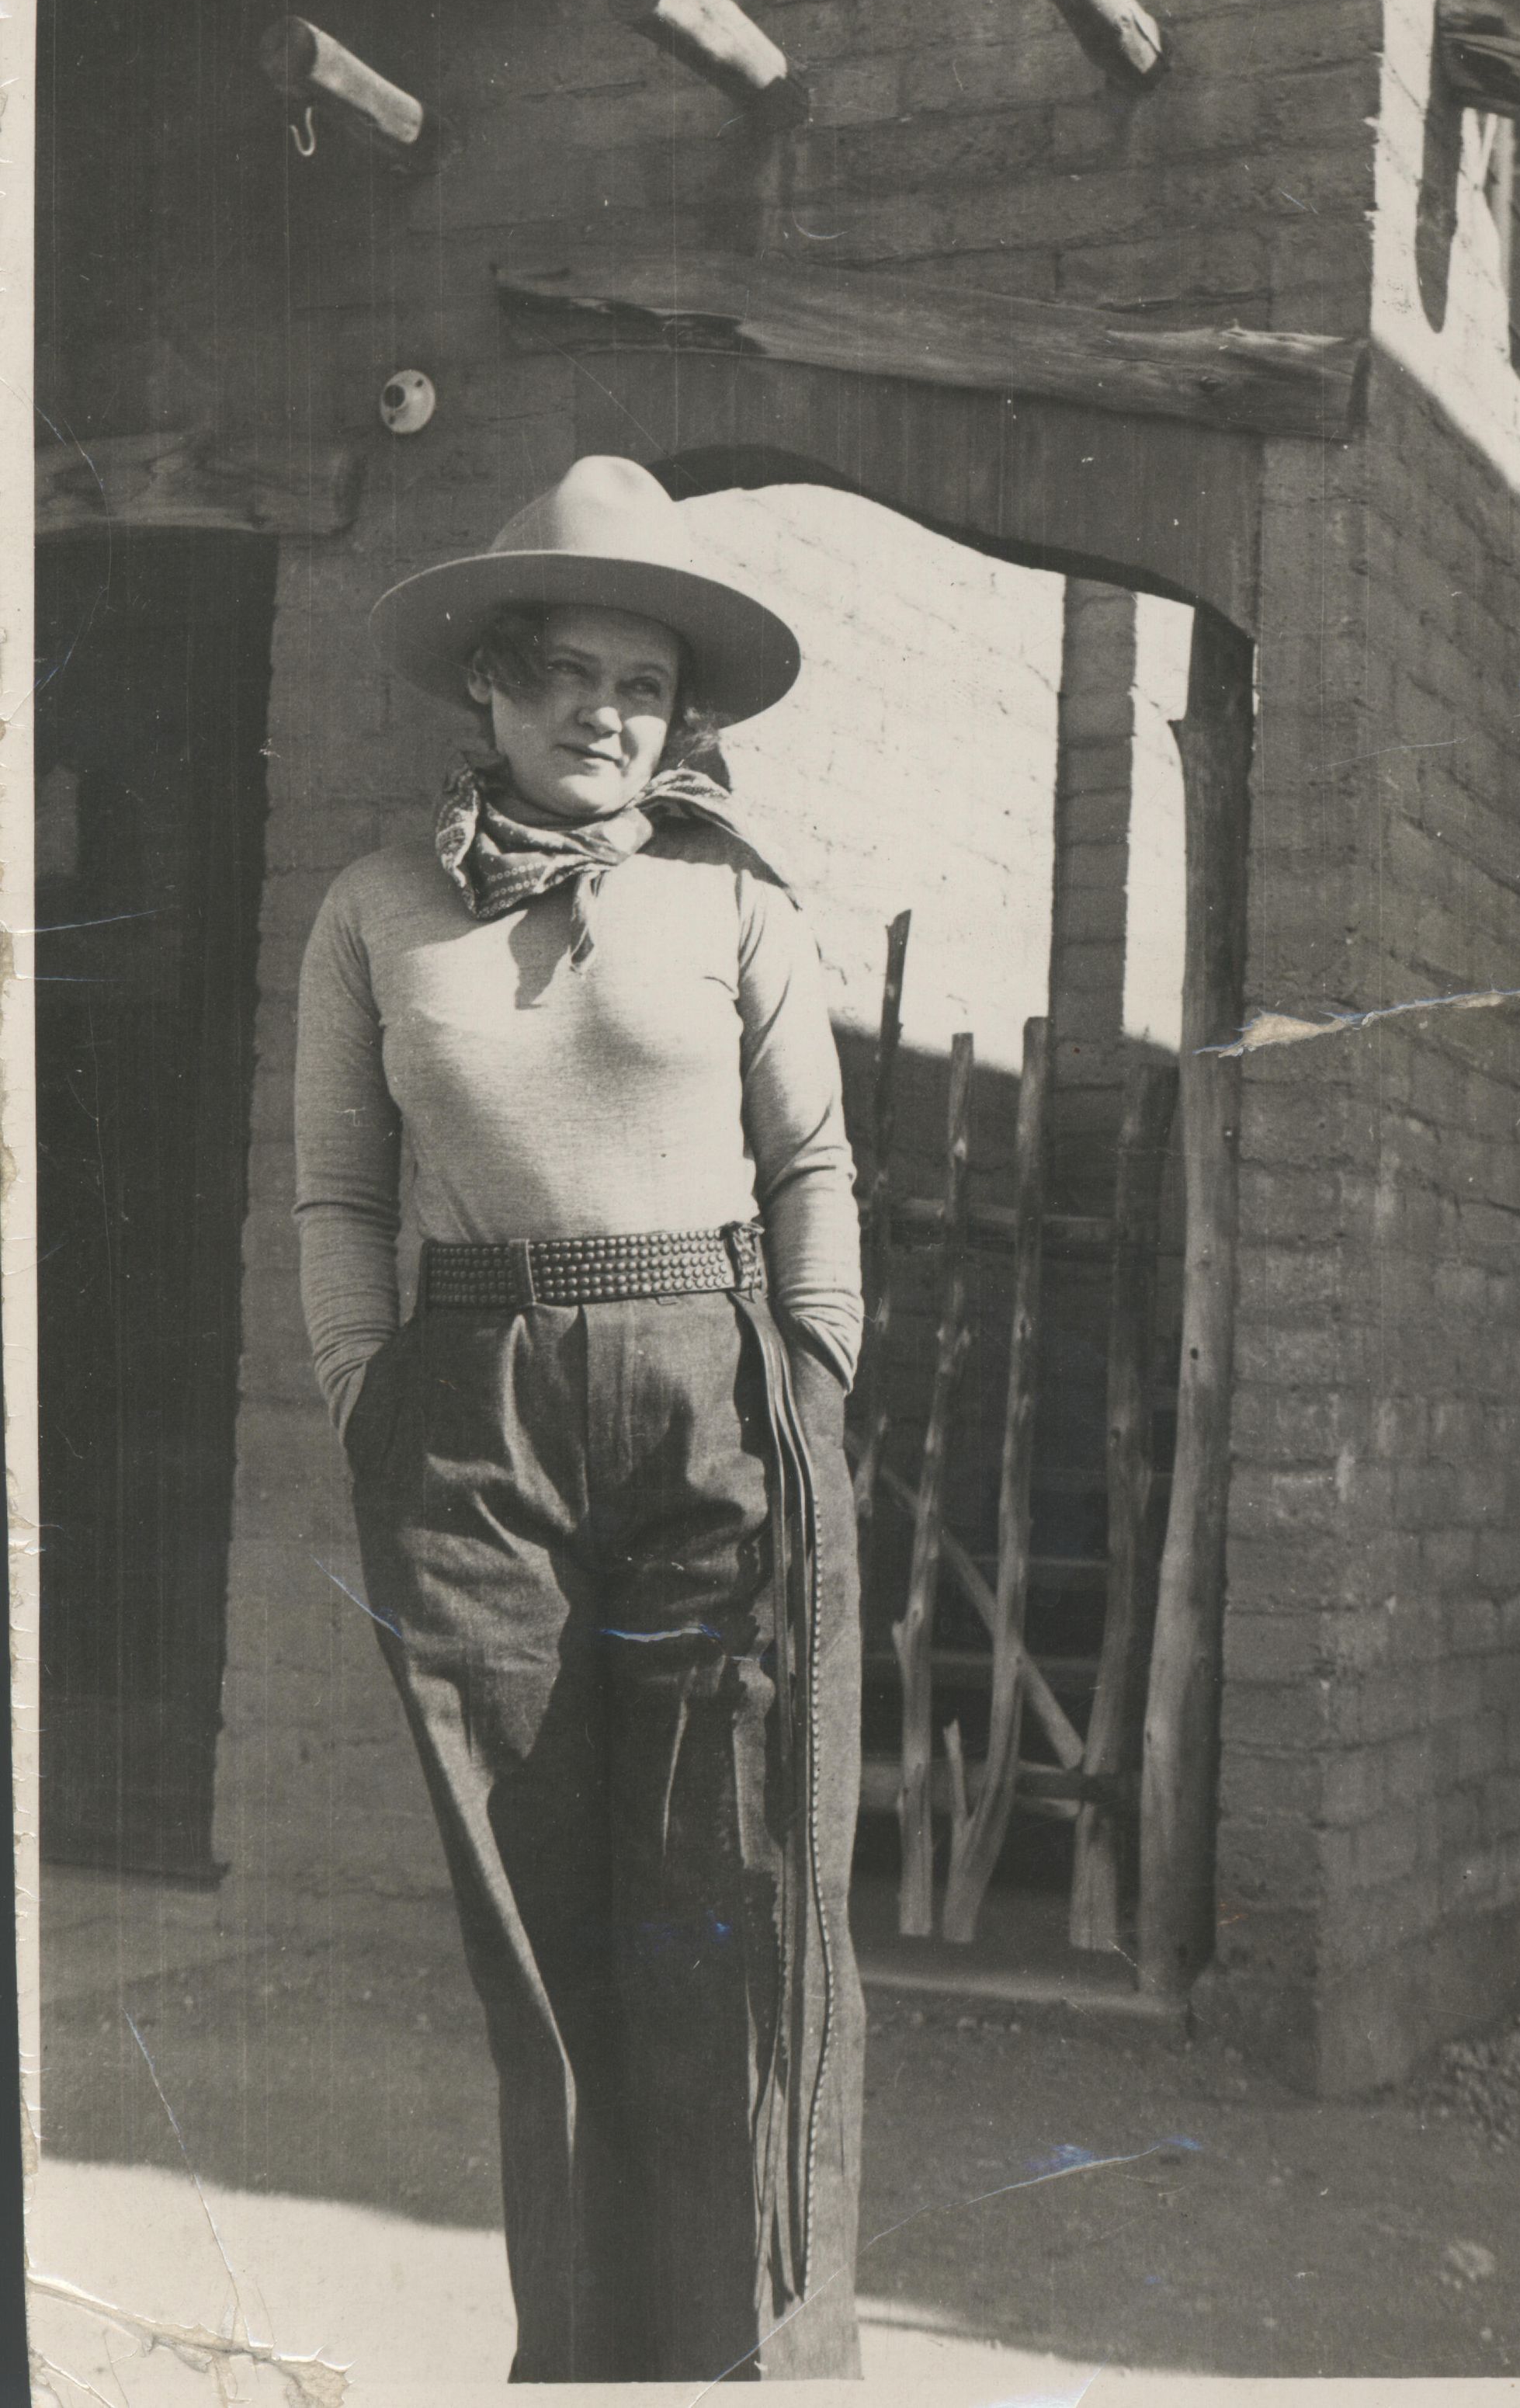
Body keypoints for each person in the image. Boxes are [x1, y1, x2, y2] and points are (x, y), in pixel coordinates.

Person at [293, 456, 866, 2384]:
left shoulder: (735, 904)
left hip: (718, 1407)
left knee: (727, 1901)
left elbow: (814, 1168)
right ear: (491, 682)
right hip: (472, 1425)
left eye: (641, 684)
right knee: (535, 1931)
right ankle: (584, 2364)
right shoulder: (376, 910)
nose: (603, 715)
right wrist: (371, 1395)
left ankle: (733, 2360)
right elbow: (338, 1194)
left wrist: (810, 1386)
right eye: (564, 673)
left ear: (677, 712)